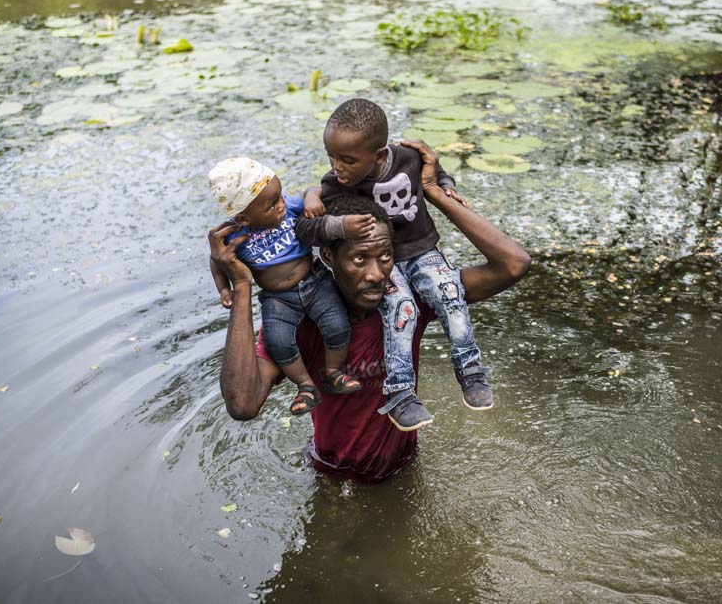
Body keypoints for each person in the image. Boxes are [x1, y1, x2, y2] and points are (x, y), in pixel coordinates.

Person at [209, 141, 530, 482]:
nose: (378, 274)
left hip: (405, 468)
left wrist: (433, 192)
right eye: (360, 259)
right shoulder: (305, 323)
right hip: (333, 476)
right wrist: (242, 288)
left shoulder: (407, 307)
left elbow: (513, 264)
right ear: (330, 258)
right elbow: (243, 405)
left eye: (386, 257)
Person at [299, 98, 490, 432]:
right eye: (331, 158)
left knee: (450, 292)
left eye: (347, 160)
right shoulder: (335, 184)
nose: (337, 167)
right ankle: (400, 392)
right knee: (403, 308)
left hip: (421, 250)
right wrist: (314, 199)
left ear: (380, 154)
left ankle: (470, 371)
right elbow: (306, 230)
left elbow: (439, 173)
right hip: (385, 264)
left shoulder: (408, 158)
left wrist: (445, 187)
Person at [208, 157, 369, 416]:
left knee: (337, 322)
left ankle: (334, 372)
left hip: (314, 281)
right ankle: (305, 385)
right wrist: (225, 288)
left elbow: (311, 190)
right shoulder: (234, 236)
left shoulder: (291, 207)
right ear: (243, 216)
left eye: (280, 197)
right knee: (278, 341)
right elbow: (217, 261)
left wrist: (311, 200)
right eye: (272, 205)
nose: (282, 205)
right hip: (276, 298)